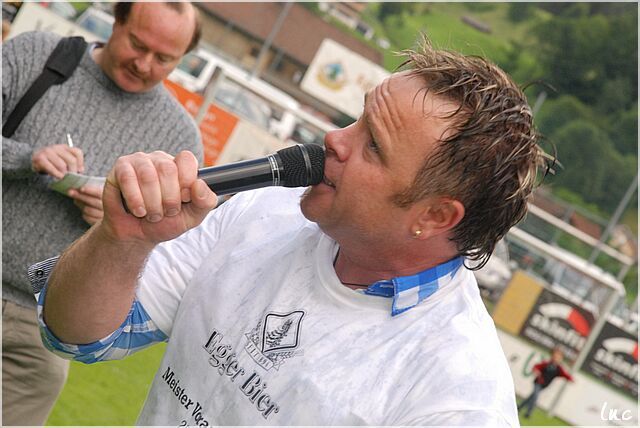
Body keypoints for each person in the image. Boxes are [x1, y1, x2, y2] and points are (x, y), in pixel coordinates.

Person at [30, 36, 551, 426]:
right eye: (358, 119)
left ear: (434, 217)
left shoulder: (458, 396)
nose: (335, 139)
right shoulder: (264, 210)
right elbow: (77, 337)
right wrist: (123, 240)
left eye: (373, 146)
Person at [2, 2, 203, 425]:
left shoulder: (179, 139)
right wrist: (28, 158)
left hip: (40, 335)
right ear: (117, 21)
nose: (144, 64)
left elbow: (170, 256)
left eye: (164, 58)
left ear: (183, 59)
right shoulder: (35, 55)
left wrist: (117, 231)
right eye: (138, 44)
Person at [517, 348, 574, 419]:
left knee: (531, 397)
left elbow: (565, 375)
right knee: (535, 397)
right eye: (555, 356)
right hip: (538, 383)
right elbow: (536, 366)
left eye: (559, 357)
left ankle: (519, 407)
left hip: (544, 386)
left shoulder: (559, 368)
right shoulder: (546, 364)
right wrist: (536, 371)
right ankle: (528, 413)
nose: (556, 358)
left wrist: (571, 379)